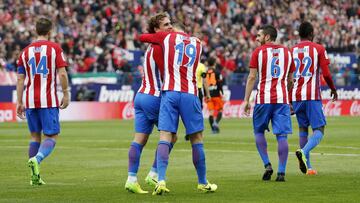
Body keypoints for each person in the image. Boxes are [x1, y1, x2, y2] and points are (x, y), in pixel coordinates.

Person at [139, 23, 217, 195]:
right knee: (197, 138)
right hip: (190, 93)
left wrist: (158, 34)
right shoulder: (197, 42)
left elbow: (142, 37)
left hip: (170, 93)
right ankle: (202, 182)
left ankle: (160, 180)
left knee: (165, 136)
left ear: (172, 30)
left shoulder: (166, 37)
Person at [125, 12, 177, 194]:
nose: (170, 27)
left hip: (141, 96)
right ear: (156, 29)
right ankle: (154, 173)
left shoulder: (151, 46)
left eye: (171, 23)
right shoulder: (160, 46)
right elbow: (166, 73)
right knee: (170, 136)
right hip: (154, 96)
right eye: (166, 25)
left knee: (139, 139)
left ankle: (131, 179)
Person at [16, 17, 69, 185]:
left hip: (30, 100)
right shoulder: (55, 49)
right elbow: (62, 73)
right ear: (50, 31)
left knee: (34, 137)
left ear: (35, 30)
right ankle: (37, 159)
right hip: (48, 100)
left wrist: (19, 102)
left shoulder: (24, 52)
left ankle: (34, 176)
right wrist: (66, 93)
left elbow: (19, 79)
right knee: (52, 136)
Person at [244, 25, 295, 182]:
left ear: (267, 37)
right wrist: (285, 93)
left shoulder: (258, 52)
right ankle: (281, 172)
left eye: (259, 36)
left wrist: (246, 100)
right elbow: (291, 80)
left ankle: (267, 164)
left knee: (259, 132)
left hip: (263, 100)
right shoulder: (287, 52)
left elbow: (252, 77)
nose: (256, 38)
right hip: (281, 100)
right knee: (282, 136)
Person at [291, 21, 338, 175]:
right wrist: (333, 89)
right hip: (311, 95)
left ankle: (309, 168)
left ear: (299, 34)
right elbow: (326, 74)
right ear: (311, 34)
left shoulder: (292, 51)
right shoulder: (318, 48)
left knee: (303, 128)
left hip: (296, 95)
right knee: (319, 129)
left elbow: (288, 78)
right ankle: (303, 152)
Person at [205, 57, 224, 134]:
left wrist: (206, 94)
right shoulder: (217, 72)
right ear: (215, 63)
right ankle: (215, 123)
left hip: (208, 95)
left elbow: (204, 84)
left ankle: (213, 129)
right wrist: (221, 91)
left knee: (211, 113)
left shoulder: (205, 72)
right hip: (216, 94)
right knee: (220, 110)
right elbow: (219, 83)